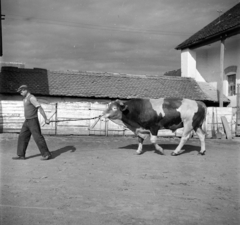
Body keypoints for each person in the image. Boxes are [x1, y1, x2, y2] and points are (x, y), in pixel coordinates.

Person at [12, 85, 52, 160]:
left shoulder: (32, 98)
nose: (20, 93)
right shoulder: (25, 99)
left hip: (33, 120)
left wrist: (46, 119)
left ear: (26, 90)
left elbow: (40, 108)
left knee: (37, 137)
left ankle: (46, 154)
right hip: (27, 121)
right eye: (20, 91)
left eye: (21, 91)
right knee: (22, 136)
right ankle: (21, 155)